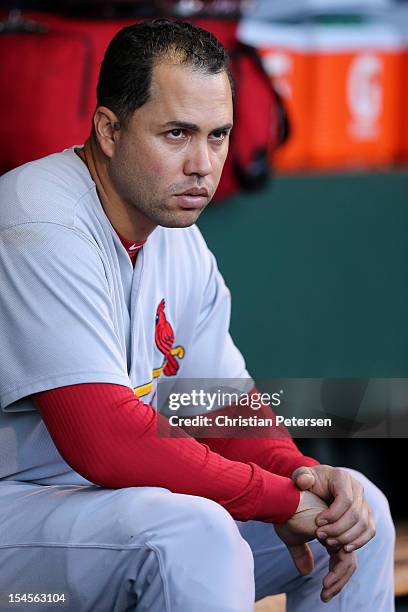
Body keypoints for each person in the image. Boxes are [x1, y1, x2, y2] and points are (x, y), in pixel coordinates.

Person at [0, 19, 394, 612]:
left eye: (218, 136)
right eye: (177, 134)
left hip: (95, 514)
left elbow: (220, 410)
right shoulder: (36, 221)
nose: (202, 164)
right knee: (193, 535)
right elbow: (106, 442)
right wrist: (280, 500)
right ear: (109, 130)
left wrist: (305, 477)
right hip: (18, 520)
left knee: (361, 512)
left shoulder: (175, 238)